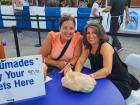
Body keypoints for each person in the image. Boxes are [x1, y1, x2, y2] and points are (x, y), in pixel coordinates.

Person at [75, 22, 140, 99]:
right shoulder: (88, 47)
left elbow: (107, 70)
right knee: (87, 91)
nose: (90, 36)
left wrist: (88, 77)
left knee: (93, 94)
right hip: (104, 79)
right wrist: (77, 74)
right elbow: (80, 62)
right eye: (88, 33)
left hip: (120, 83)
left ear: (100, 34)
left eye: (94, 33)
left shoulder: (105, 46)